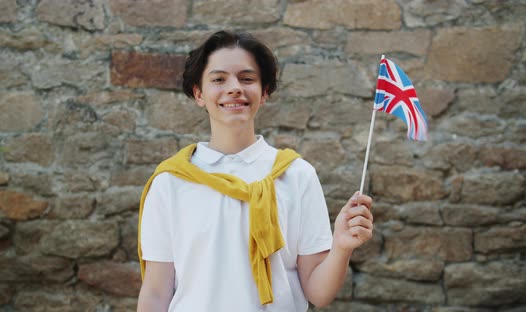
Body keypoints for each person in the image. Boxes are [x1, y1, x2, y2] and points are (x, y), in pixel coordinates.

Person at [137, 30, 373, 312]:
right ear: (199, 94)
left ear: (264, 93)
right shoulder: (170, 182)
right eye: (218, 79)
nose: (234, 87)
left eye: (247, 79)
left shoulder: (296, 175)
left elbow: (318, 293)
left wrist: (342, 246)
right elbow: (155, 292)